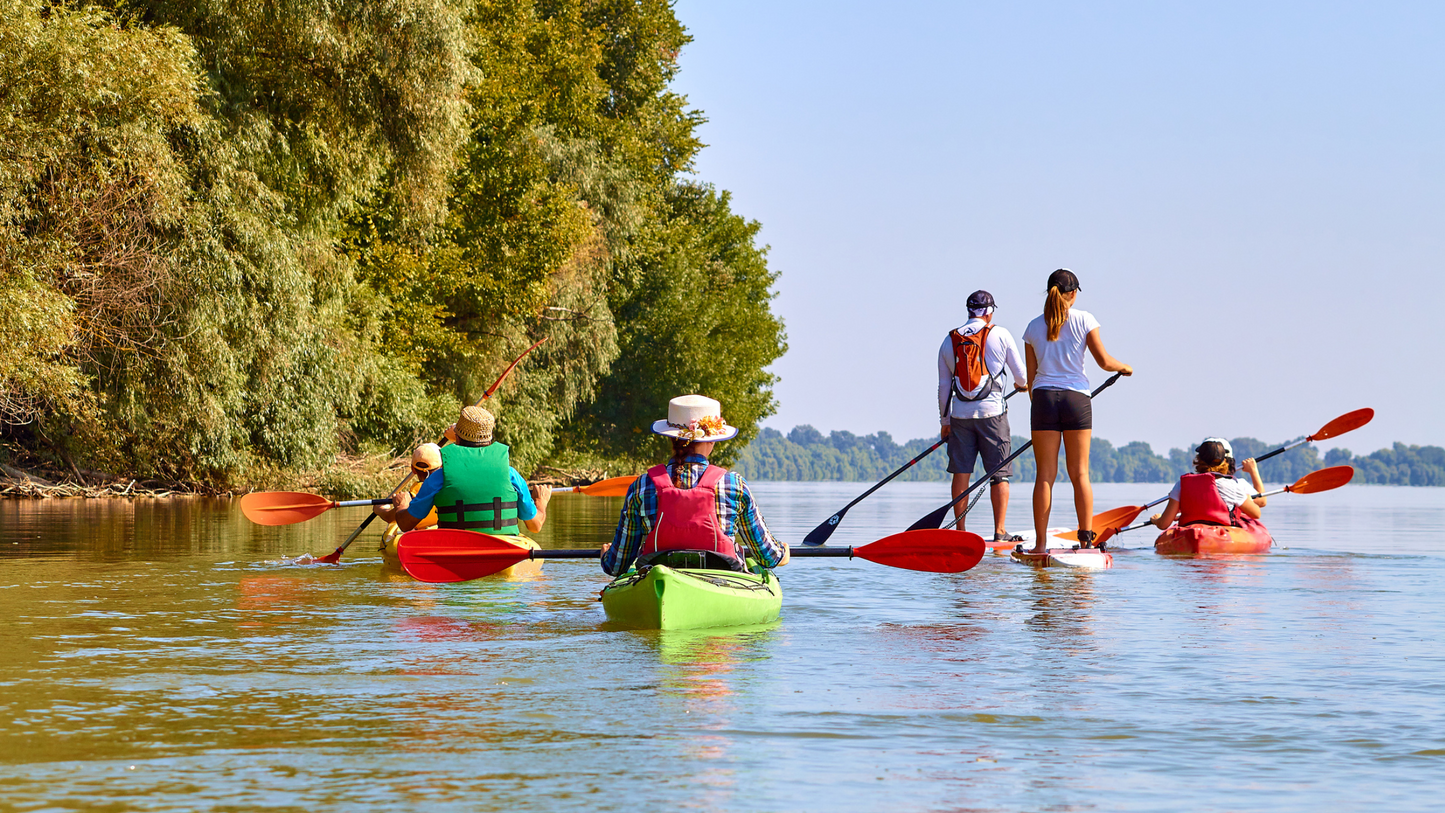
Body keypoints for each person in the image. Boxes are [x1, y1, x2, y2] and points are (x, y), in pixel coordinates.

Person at [601, 394, 788, 576]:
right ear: (713, 439)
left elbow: (616, 566)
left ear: (670, 438)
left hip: (655, 577)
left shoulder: (641, 486)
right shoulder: (734, 485)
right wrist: (783, 552)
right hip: (723, 582)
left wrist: (606, 556)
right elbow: (768, 558)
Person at [1021, 269, 1132, 553]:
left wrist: (1043, 407)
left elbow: (1031, 380)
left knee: (1044, 475)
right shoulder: (1085, 319)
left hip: (1044, 399)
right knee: (1080, 473)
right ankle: (1086, 542)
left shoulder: (1032, 327)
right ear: (1072, 293)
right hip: (1076, 400)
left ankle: (1041, 545)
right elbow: (1105, 362)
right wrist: (1124, 367)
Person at [937, 289, 1027, 542]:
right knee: (999, 474)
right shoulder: (1001, 334)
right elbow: (1021, 376)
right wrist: (1022, 386)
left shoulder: (949, 340)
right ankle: (999, 531)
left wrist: (945, 423)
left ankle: (960, 531)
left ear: (968, 310)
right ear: (989, 312)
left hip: (960, 416)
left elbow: (944, 387)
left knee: (961, 473)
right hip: (993, 415)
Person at [375, 405, 551, 535]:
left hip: (454, 548)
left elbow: (405, 524)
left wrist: (402, 505)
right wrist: (541, 503)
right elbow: (535, 526)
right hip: (501, 549)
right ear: (489, 440)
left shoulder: (439, 477)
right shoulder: (511, 475)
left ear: (456, 438)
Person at [1150, 439, 1267, 529]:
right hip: (1222, 534)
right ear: (1224, 461)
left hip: (1191, 534)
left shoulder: (1181, 484)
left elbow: (1164, 524)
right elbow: (1256, 513)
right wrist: (1246, 497)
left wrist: (1157, 520)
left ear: (1198, 460)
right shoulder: (1231, 485)